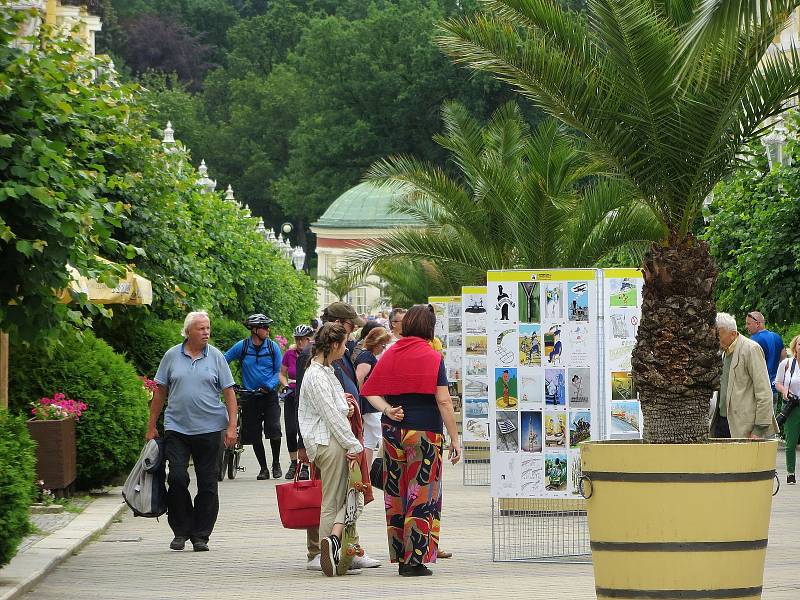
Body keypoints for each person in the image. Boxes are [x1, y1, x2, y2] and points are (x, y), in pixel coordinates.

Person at [362, 304, 461, 577]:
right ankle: (414, 560)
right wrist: (455, 438)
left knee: (397, 492)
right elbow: (443, 400)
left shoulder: (390, 352)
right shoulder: (432, 356)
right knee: (423, 492)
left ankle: (400, 556)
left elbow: (367, 390)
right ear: (429, 328)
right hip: (425, 433)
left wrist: (387, 410)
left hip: (393, 431)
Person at [299, 323, 395, 577]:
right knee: (336, 500)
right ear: (333, 345)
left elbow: (336, 405)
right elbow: (331, 415)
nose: (346, 348)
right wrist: (354, 445)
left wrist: (347, 407)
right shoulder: (317, 375)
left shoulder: (325, 370)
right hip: (329, 442)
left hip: (334, 440)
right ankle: (328, 550)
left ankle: (337, 545)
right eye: (343, 344)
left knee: (351, 497)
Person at [147, 311, 237, 552]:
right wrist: (151, 425)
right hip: (177, 428)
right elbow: (160, 392)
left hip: (210, 429)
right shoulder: (171, 356)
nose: (206, 333)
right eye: (201, 329)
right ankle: (181, 530)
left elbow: (229, 393)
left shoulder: (216, 357)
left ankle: (201, 535)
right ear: (188, 332)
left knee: (208, 484)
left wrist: (231, 427)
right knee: (176, 478)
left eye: (208, 328)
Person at [224, 314, 284, 480]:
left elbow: (278, 372)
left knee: (274, 429)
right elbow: (223, 361)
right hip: (250, 395)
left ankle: (276, 463)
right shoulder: (242, 346)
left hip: (268, 395)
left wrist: (269, 386)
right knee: (254, 433)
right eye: (264, 327)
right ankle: (263, 468)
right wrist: (229, 382)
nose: (268, 330)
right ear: (255, 330)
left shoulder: (273, 348)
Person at [711, 313, 777, 439]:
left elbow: (764, 390)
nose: (716, 338)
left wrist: (759, 428)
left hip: (743, 427)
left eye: (719, 334)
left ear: (733, 334)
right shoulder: (724, 351)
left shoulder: (751, 349)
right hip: (722, 422)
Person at [279, 324, 314, 480]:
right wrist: (285, 385)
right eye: (298, 339)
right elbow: (282, 373)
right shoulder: (289, 354)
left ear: (309, 339)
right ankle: (294, 462)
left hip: (307, 395)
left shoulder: (313, 354)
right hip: (292, 393)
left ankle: (305, 465)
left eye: (303, 339)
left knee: (304, 430)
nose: (300, 343)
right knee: (291, 430)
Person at [354, 326, 392, 466]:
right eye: (382, 345)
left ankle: (367, 472)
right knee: (380, 434)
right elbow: (358, 379)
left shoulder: (367, 356)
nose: (383, 348)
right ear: (376, 343)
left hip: (369, 402)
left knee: (370, 439)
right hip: (369, 403)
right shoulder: (366, 357)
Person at [746, 310, 785, 414]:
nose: (746, 326)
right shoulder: (777, 337)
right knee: (770, 423)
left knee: (756, 426)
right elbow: (784, 361)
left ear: (757, 324)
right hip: (774, 388)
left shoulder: (753, 341)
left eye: (748, 323)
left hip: (758, 390)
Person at [774, 335, 800, 484]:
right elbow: (777, 383)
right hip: (792, 406)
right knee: (791, 441)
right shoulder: (787, 363)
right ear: (795, 346)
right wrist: (784, 390)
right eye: (799, 344)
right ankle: (791, 473)